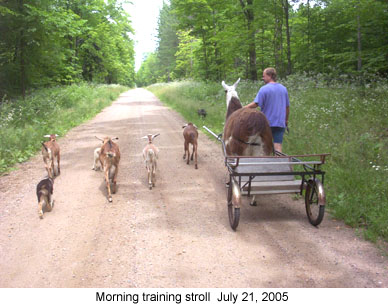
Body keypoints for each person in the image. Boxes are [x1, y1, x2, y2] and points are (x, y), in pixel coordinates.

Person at [244, 67, 289, 153]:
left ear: (270, 76)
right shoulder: (283, 89)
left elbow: (255, 104)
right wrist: (286, 121)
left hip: (266, 123)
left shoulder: (264, 89)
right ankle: (279, 164)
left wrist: (242, 108)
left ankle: (264, 164)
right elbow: (287, 107)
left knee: (263, 146)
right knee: (278, 146)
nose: (263, 78)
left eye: (264, 76)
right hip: (280, 123)